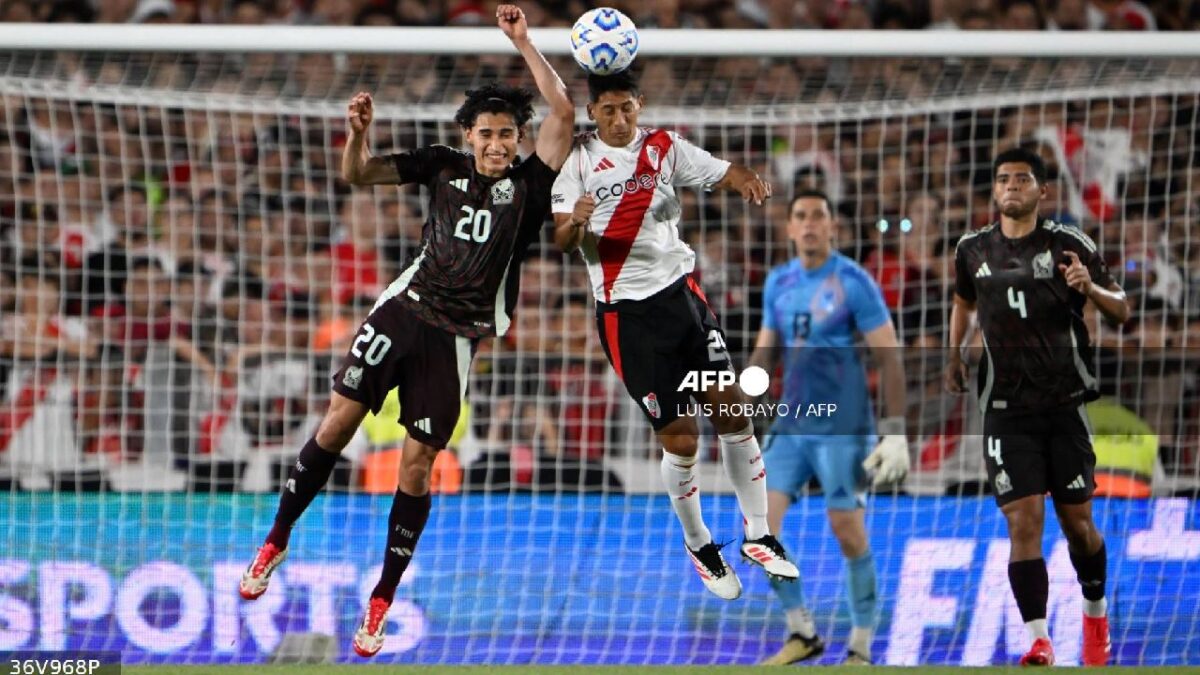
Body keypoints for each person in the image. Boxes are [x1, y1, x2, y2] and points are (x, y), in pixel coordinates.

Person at [236, 5, 574, 658]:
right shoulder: (442, 165)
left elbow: (562, 115)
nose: (497, 144)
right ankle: (275, 539)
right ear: (468, 135)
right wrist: (357, 134)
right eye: (487, 133)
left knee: (417, 469)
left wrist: (525, 43)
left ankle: (381, 599)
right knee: (336, 424)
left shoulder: (530, 188)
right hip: (404, 311)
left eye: (507, 133)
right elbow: (357, 175)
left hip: (455, 340)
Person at [550, 69, 798, 600]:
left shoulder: (664, 147)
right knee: (681, 441)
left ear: (640, 104)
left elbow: (724, 170)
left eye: (627, 108)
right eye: (608, 110)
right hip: (626, 318)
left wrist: (746, 179)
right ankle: (699, 543)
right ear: (593, 112)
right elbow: (559, 238)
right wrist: (576, 222)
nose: (619, 119)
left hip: (682, 300)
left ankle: (760, 535)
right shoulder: (575, 163)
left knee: (733, 410)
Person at [946, 147, 1130, 666]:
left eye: (1022, 179)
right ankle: (1039, 639)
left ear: (1042, 191)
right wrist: (955, 352)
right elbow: (963, 301)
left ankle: (1095, 614)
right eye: (1002, 179)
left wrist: (1088, 287)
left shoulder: (1068, 243)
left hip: (1063, 405)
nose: (1011, 187)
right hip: (1005, 408)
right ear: (994, 190)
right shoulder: (972, 249)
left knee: (1078, 526)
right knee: (1023, 521)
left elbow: (1124, 310)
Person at [749, 190, 910, 666]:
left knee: (847, 530)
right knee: (760, 528)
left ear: (833, 226)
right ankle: (802, 631)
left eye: (819, 215)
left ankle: (860, 644)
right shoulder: (778, 282)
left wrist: (895, 430)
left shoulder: (853, 282)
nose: (810, 223)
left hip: (844, 425)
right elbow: (765, 351)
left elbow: (889, 356)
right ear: (790, 228)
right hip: (793, 423)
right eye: (801, 216)